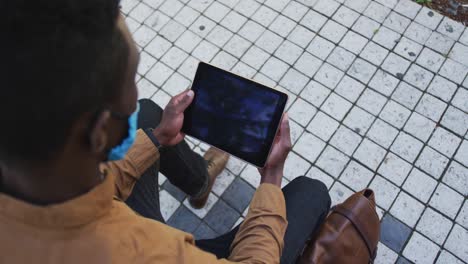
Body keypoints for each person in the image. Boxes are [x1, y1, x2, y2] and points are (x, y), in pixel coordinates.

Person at [0, 0, 331, 263]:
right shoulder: (145, 252)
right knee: (312, 193)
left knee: (148, 115)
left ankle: (199, 182)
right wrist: (271, 175)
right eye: (130, 79)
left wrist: (157, 137)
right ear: (99, 131)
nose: (134, 91)